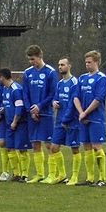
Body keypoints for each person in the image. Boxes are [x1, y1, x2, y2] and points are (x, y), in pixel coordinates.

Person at [21, 44, 58, 183]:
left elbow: (53, 93)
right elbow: (25, 93)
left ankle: (53, 174)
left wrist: (40, 106)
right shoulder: (27, 73)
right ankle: (39, 174)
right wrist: (31, 109)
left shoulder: (50, 72)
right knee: (35, 144)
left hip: (46, 113)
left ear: (40, 56)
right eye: (30, 60)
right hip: (32, 114)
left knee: (49, 144)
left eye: (33, 59)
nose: (31, 62)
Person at [43, 57, 83, 185]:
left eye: (63, 65)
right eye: (59, 65)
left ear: (69, 66)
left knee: (74, 148)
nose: (60, 67)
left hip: (72, 121)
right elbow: (55, 98)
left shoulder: (75, 83)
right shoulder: (59, 84)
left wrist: (67, 119)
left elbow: (74, 103)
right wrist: (54, 102)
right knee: (54, 148)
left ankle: (75, 177)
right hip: (60, 121)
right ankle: (61, 175)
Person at [73, 50, 106, 187]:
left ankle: (102, 178)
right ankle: (90, 178)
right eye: (86, 62)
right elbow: (75, 97)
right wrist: (81, 112)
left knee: (96, 147)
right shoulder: (82, 78)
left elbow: (99, 99)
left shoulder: (101, 78)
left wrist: (86, 112)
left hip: (96, 118)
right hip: (83, 118)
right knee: (86, 147)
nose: (87, 65)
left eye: (90, 62)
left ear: (97, 62)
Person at [0, 67, 31, 182]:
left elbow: (19, 107)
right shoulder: (5, 89)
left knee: (21, 149)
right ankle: (16, 173)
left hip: (19, 123)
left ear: (2, 77)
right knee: (10, 148)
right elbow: (6, 106)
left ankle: (24, 175)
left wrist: (15, 121)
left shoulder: (16, 89)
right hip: (8, 123)